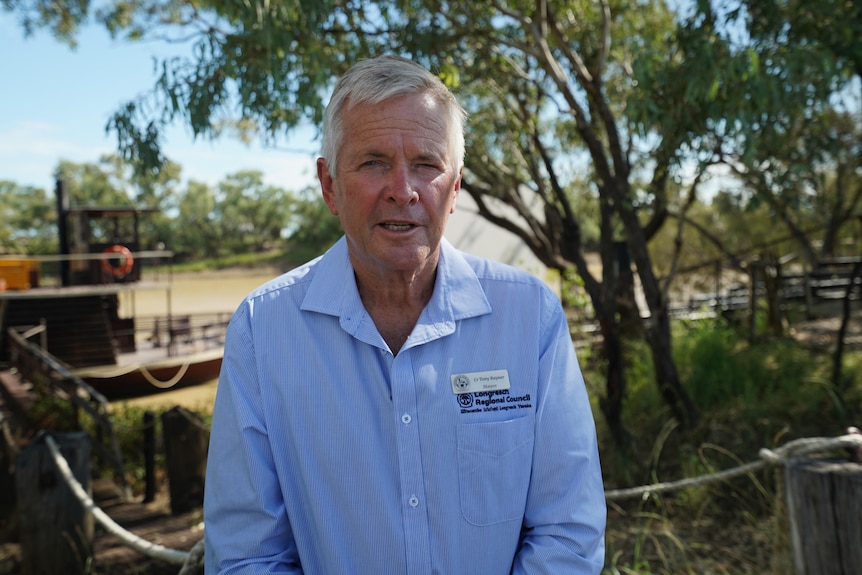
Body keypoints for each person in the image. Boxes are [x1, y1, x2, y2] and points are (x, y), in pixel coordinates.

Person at [203, 54, 606, 574]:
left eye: (426, 164)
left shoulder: (529, 318)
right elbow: (245, 555)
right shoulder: (264, 329)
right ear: (329, 185)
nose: (403, 189)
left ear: (455, 187)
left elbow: (568, 532)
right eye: (373, 162)